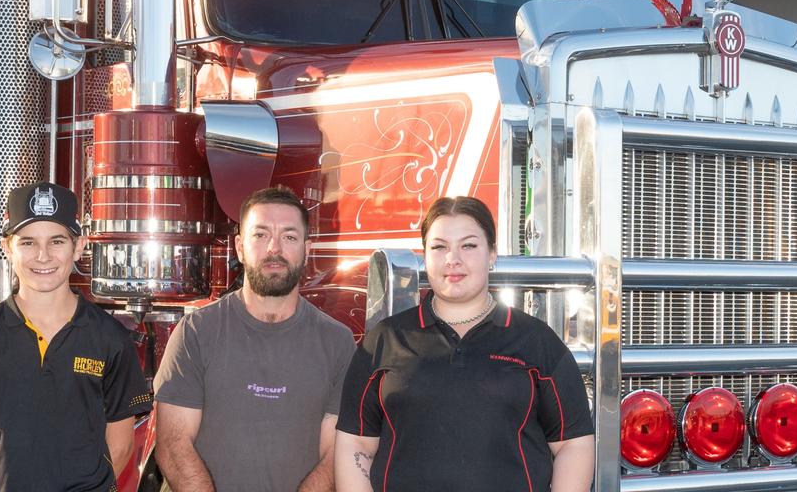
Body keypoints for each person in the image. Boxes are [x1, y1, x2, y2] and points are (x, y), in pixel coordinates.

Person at [335, 196, 595, 492]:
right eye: (439, 246)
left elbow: (573, 443)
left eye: (468, 245)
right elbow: (355, 443)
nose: (452, 259)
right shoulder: (385, 339)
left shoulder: (536, 340)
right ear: (425, 255)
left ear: (492, 254)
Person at [0, 182, 152, 492]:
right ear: (7, 248)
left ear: (78, 247)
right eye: (27, 242)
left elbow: (121, 447)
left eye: (57, 241)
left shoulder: (110, 339)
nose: (43, 256)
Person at [154, 186, 356, 492]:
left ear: (307, 249)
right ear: (239, 246)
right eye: (260, 235)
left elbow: (336, 455)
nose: (274, 248)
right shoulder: (195, 332)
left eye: (289, 236)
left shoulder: (338, 343)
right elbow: (173, 445)